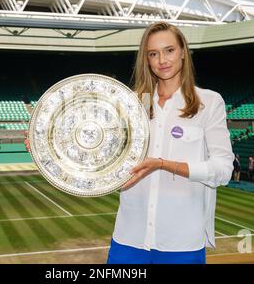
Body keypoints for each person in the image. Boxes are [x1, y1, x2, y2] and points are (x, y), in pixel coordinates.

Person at [26, 22, 234, 264]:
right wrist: (45, 146)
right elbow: (101, 156)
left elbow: (223, 171)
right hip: (129, 238)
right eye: (153, 54)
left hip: (182, 241)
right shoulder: (131, 103)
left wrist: (163, 164)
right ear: (146, 59)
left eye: (169, 50)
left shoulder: (208, 102)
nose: (162, 60)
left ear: (183, 52)